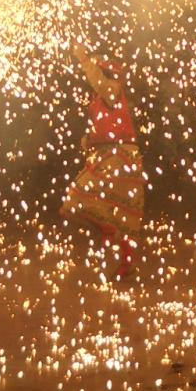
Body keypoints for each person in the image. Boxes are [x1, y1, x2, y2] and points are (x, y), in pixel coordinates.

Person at [60, 45, 145, 281]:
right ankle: (125, 262)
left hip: (119, 157)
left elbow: (98, 81)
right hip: (114, 155)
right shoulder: (104, 96)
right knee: (116, 214)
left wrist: (83, 59)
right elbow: (105, 129)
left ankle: (114, 243)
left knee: (82, 200)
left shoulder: (112, 90)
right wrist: (88, 140)